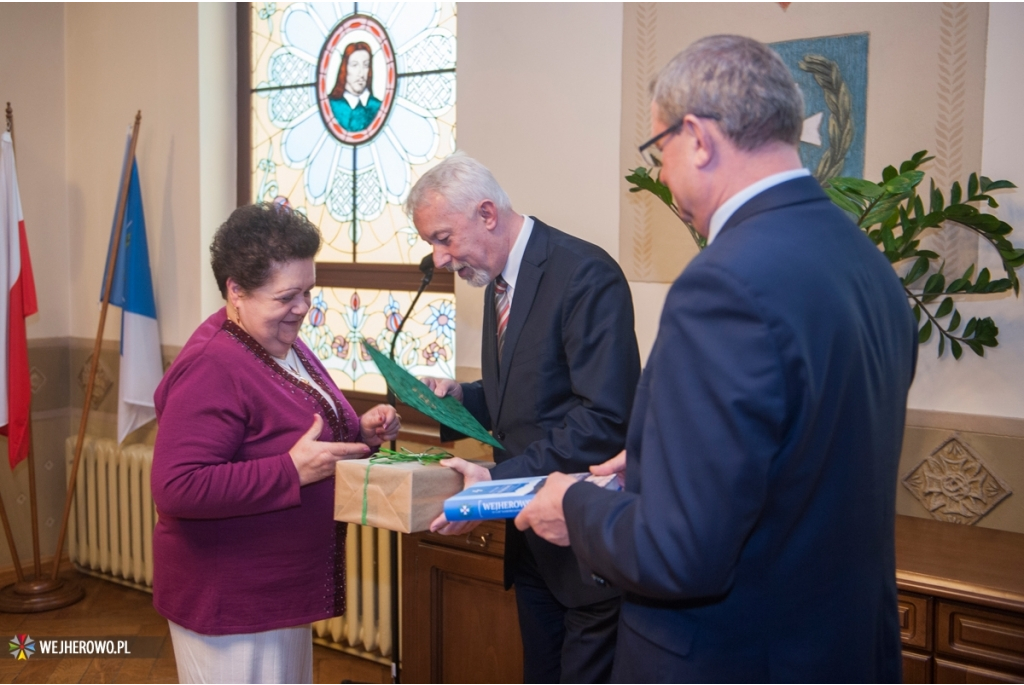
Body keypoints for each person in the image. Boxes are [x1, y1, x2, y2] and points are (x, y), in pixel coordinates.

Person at [515, 35, 918, 682]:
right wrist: (654, 458)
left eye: (660, 150)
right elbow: (800, 458)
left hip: (733, 656)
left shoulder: (723, 283)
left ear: (697, 138)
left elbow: (678, 552)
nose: (665, 173)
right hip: (837, 651)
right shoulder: (865, 263)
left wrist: (572, 505)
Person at [410, 154, 641, 683]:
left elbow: (605, 417)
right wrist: (461, 398)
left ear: (487, 213)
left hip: (582, 545)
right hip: (531, 542)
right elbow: (526, 396)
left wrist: (497, 480)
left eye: (444, 238)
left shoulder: (584, 273)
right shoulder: (496, 282)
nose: (440, 258)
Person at [151, 203, 400, 684]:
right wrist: (290, 471)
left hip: (276, 591)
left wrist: (361, 434)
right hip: (230, 601)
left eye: (309, 291)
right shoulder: (212, 365)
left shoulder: (282, 342)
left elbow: (297, 433)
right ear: (236, 291)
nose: (304, 308)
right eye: (287, 296)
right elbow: (177, 487)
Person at [328, 41, 382, 133]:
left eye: (366, 65)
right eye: (354, 65)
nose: (361, 73)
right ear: (344, 68)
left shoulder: (379, 107)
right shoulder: (330, 106)